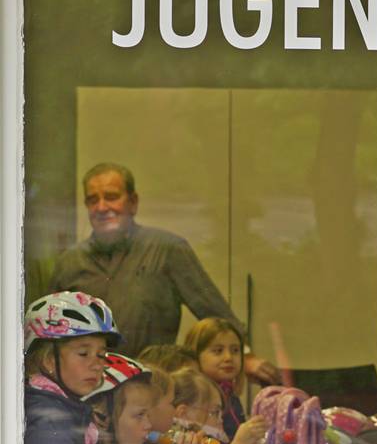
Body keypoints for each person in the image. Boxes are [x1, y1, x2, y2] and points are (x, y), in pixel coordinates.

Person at [47, 162, 279, 383]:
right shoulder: (70, 263)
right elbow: (49, 332)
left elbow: (213, 310)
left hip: (152, 386)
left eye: (111, 197)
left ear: (133, 203)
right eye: (92, 200)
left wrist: (246, 356)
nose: (101, 207)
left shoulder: (167, 250)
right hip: (88, 390)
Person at [22, 291, 119, 444]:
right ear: (49, 360)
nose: (97, 364)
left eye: (101, 355)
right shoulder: (49, 418)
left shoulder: (58, 406)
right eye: (84, 353)